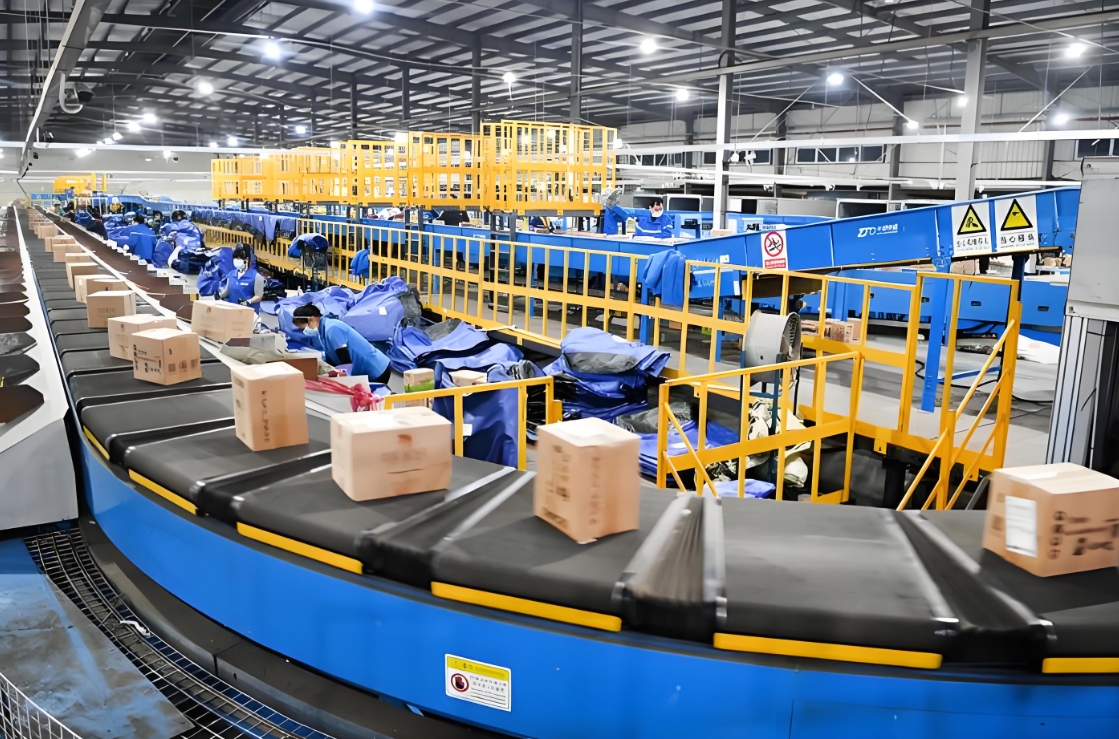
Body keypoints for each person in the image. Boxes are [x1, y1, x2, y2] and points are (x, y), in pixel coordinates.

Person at [291, 304, 391, 384]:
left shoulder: (332, 329)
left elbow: (345, 358)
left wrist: (345, 381)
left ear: (312, 319)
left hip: (376, 369)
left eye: (304, 328)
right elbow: (332, 357)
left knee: (374, 399)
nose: (304, 331)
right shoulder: (322, 332)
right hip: (363, 369)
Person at [218, 244, 265, 311]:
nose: (237, 260)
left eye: (239, 258)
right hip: (231, 311)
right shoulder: (231, 274)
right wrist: (220, 295)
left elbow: (259, 296)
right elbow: (226, 291)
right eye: (235, 258)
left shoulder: (256, 277)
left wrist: (248, 302)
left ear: (247, 259)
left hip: (248, 312)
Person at [603, 197, 674, 239]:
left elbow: (667, 234)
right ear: (650, 207)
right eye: (656, 209)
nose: (658, 211)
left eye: (660, 209)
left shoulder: (666, 219)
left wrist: (653, 237)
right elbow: (624, 212)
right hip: (638, 244)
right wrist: (611, 204)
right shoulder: (641, 214)